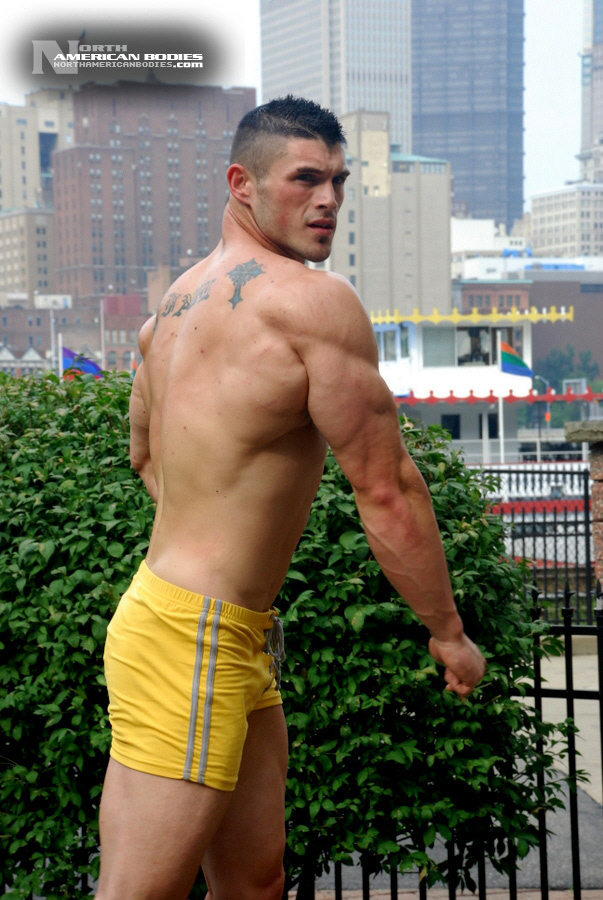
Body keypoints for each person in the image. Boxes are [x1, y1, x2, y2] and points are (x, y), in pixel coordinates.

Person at [97, 96, 486, 900]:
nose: (328, 199)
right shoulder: (313, 303)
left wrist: (214, 533)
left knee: (255, 883)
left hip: (214, 626)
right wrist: (447, 631)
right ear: (241, 183)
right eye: (305, 179)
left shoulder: (172, 306)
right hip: (193, 636)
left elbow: (145, 457)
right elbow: (386, 489)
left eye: (338, 180)